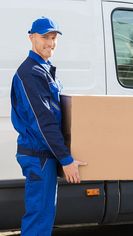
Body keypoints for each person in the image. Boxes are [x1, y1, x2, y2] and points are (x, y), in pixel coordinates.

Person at [10, 17, 86, 235]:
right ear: (31, 37)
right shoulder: (30, 73)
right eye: (45, 37)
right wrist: (66, 159)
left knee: (43, 215)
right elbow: (44, 122)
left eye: (53, 38)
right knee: (39, 218)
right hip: (39, 155)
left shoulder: (43, 69)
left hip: (44, 154)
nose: (50, 43)